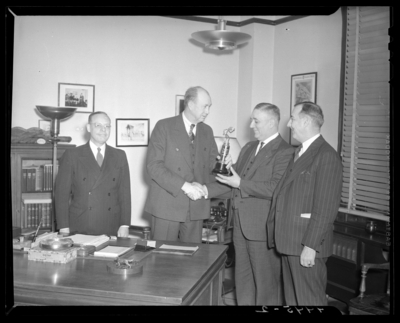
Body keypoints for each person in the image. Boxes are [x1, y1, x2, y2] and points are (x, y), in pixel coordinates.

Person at [198, 103, 294, 305]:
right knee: (243, 280)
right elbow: (235, 181)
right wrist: (221, 173)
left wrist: (239, 182)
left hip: (262, 229)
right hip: (240, 226)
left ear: (271, 122)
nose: (251, 125)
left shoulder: (285, 152)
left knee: (265, 283)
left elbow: (275, 188)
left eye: (256, 121)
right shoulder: (249, 147)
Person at [266, 101, 343, 306]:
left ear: (307, 121)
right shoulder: (299, 152)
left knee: (309, 302)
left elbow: (325, 208)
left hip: (306, 245)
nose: (289, 124)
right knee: (293, 302)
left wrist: (310, 246)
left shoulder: (326, 155)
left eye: (293, 118)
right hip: (290, 242)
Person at [144, 86, 222, 243]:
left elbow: (213, 167)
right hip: (166, 206)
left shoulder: (207, 131)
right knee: (162, 260)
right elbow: (154, 166)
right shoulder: (164, 126)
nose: (207, 111)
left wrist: (224, 164)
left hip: (196, 208)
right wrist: (185, 186)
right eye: (205, 106)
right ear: (191, 104)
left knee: (192, 261)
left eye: (209, 107)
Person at [55, 111, 131, 237]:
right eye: (98, 125)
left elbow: (125, 193)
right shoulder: (72, 155)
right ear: (89, 128)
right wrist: (63, 227)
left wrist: (124, 225)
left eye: (107, 126)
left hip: (111, 224)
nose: (103, 130)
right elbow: (61, 195)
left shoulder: (119, 155)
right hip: (81, 224)